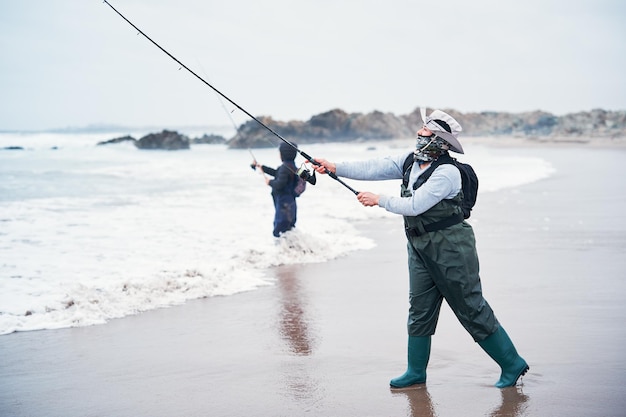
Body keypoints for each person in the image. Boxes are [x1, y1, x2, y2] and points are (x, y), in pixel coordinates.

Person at [311, 109, 529, 388]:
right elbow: (374, 166)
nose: (418, 138)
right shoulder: (409, 162)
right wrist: (334, 167)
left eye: (425, 135)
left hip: (452, 248)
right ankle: (415, 373)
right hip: (419, 246)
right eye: (419, 133)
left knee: (470, 307)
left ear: (440, 142)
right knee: (419, 310)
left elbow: (415, 205)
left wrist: (379, 200)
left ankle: (512, 364)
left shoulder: (448, 173)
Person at [253, 142, 299, 237]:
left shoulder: (284, 168)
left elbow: (279, 184)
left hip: (283, 204)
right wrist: (261, 167)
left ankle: (282, 250)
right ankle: (292, 248)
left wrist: (269, 182)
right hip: (291, 203)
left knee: (278, 229)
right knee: (289, 227)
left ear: (283, 154)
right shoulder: (291, 167)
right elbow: (276, 173)